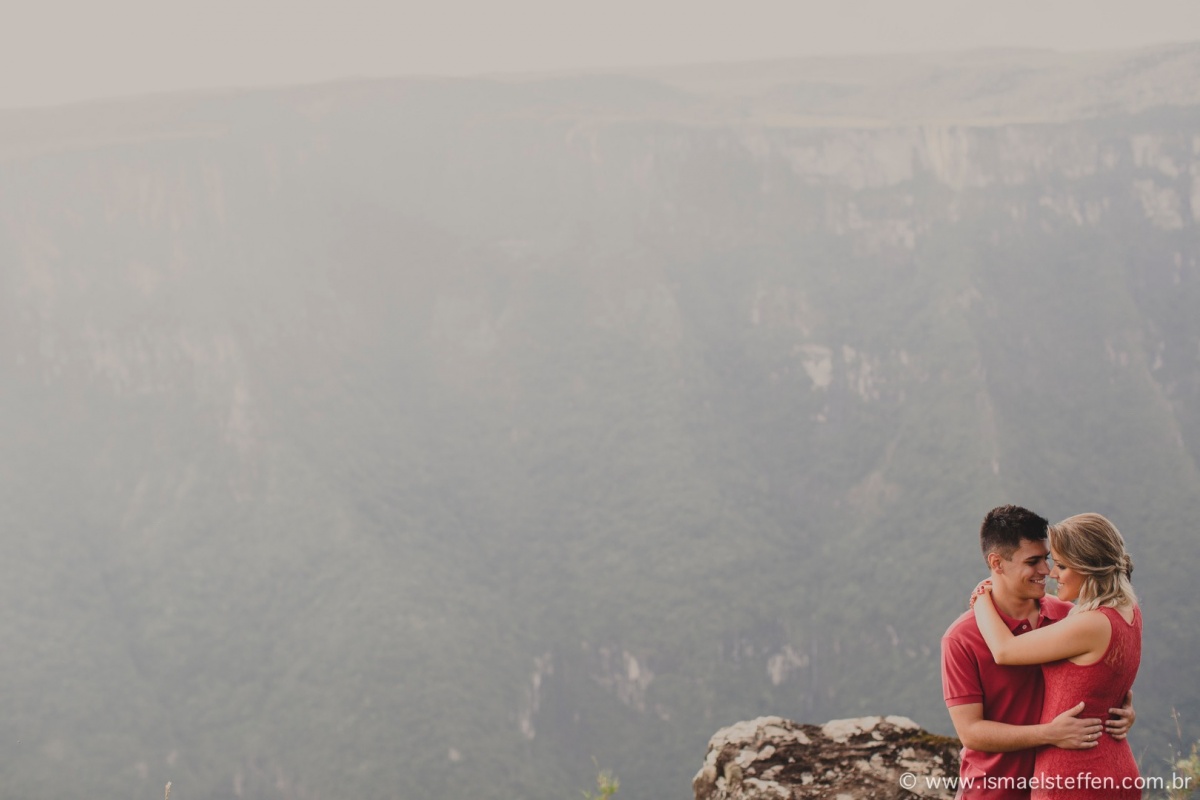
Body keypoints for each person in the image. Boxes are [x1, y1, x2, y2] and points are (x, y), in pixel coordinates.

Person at [941, 505, 1135, 799]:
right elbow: (971, 733)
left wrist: (1121, 709)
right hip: (996, 790)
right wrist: (1049, 733)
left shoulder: (1069, 616)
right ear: (997, 563)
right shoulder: (961, 639)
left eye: (1047, 559)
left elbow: (1096, 678)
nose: (1046, 571)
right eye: (1033, 562)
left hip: (1064, 783)